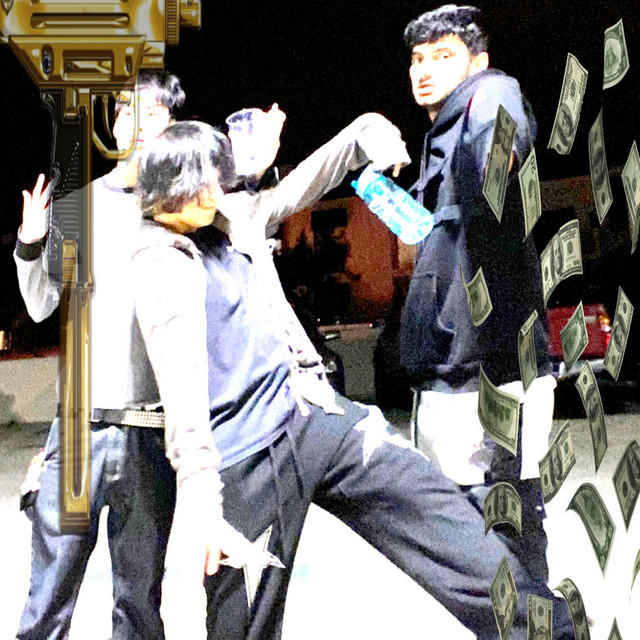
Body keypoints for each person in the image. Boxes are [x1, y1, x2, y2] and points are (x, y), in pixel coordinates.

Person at [135, 116, 576, 640]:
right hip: (243, 456)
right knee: (242, 623)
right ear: (169, 189)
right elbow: (181, 388)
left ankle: (544, 629)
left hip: (311, 414)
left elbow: (308, 180)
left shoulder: (235, 214)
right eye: (203, 183)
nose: (215, 192)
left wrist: (365, 134)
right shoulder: (157, 262)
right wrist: (202, 501)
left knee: (436, 509)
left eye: (218, 179)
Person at [13, 71, 187, 640]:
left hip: (151, 435)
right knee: (48, 598)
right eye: (126, 112)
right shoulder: (77, 210)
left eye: (153, 113)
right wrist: (30, 244)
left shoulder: (185, 212)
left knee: (140, 603)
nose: (136, 123)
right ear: (114, 126)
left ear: (172, 127)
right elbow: (40, 304)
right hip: (77, 433)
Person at [398, 4, 556, 587]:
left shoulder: (489, 93)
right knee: (465, 527)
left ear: (477, 62)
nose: (425, 69)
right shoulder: (437, 138)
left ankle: (539, 622)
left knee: (507, 519)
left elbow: (499, 147)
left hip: (495, 365)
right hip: (447, 367)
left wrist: (496, 160)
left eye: (443, 56)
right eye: (418, 59)